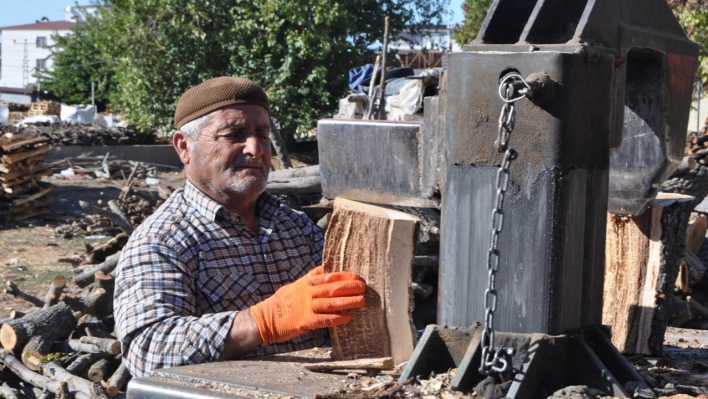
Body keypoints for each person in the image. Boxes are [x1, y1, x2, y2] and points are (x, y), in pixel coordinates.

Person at [114, 76, 367, 378]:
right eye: (234, 134)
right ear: (184, 147)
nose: (255, 148)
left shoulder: (295, 227)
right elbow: (147, 350)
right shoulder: (163, 240)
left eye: (262, 133)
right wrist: (263, 322)